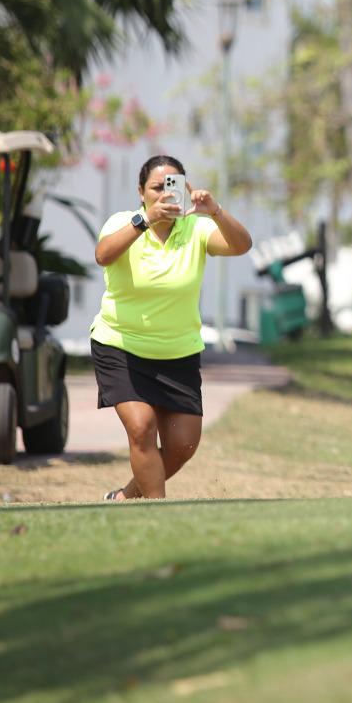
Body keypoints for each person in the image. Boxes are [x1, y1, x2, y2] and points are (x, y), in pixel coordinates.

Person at [91, 155, 253, 500]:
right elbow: (103, 254)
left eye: (172, 186)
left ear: (185, 189)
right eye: (155, 187)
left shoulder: (197, 228)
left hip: (177, 351)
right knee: (141, 428)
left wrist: (216, 211)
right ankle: (157, 512)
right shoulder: (123, 223)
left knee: (183, 445)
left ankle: (124, 497)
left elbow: (242, 246)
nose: (164, 194)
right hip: (121, 345)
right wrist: (145, 220)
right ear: (141, 192)